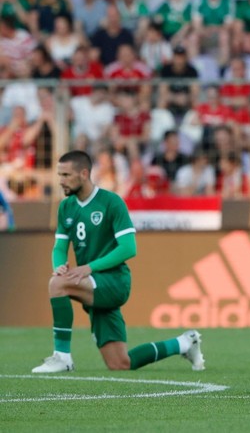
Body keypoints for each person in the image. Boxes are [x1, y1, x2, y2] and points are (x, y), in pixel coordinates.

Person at [32, 150, 205, 373]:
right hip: (91, 284)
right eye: (59, 175)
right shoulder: (67, 207)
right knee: (120, 363)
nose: (61, 181)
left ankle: (62, 357)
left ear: (84, 174)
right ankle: (184, 343)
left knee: (57, 285)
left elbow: (128, 248)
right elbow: (59, 247)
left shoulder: (111, 202)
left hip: (114, 282)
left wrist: (89, 268)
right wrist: (59, 265)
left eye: (66, 175)